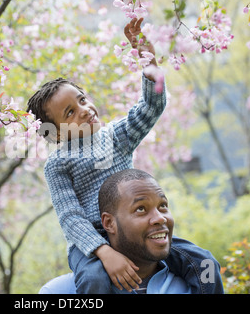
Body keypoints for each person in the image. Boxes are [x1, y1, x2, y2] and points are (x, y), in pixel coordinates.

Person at [27, 17, 219, 294]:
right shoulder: (57, 164)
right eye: (70, 112)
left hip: (136, 228)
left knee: (205, 264)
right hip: (91, 243)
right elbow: (71, 217)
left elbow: (152, 106)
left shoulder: (115, 136)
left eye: (82, 99)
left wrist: (148, 61)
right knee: (94, 281)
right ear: (54, 133)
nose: (84, 109)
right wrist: (103, 252)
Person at [39, 169, 224, 294]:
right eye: (141, 209)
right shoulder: (60, 291)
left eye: (163, 206)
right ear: (109, 223)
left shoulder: (194, 281)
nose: (160, 217)